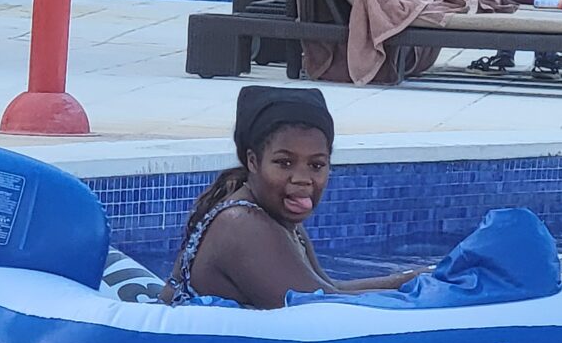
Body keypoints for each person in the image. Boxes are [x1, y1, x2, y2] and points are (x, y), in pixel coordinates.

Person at [161, 86, 425, 310]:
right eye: (285, 162)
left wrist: (413, 279)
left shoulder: (281, 220)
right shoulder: (242, 224)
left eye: (317, 165)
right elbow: (321, 308)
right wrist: (422, 298)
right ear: (253, 161)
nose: (302, 178)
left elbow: (331, 288)